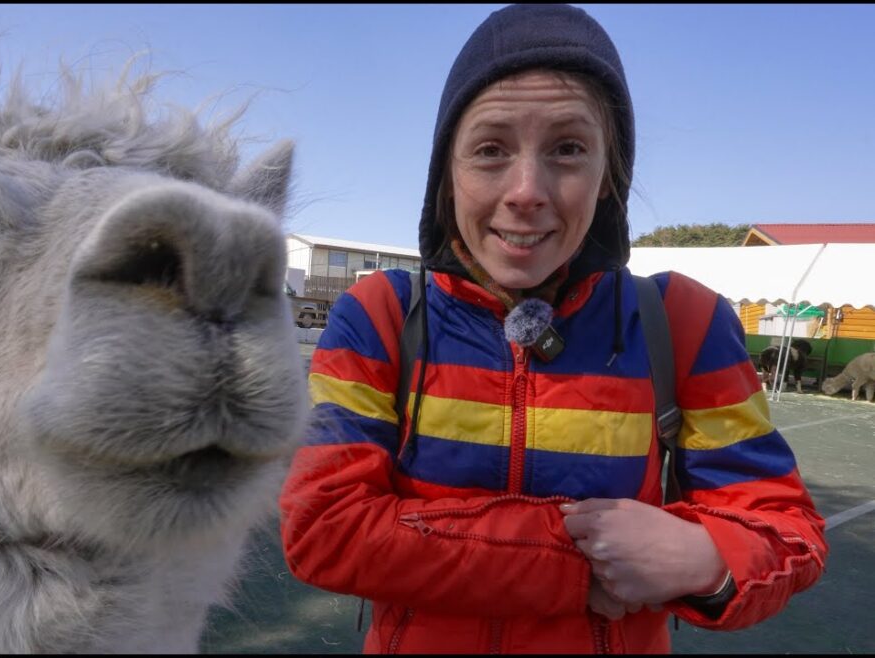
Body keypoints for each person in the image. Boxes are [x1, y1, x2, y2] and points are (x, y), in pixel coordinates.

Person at [278, 4, 827, 654]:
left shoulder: (686, 322)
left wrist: (707, 559)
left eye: (568, 148)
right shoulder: (380, 316)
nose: (526, 191)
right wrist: (577, 563)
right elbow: (325, 527)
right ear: (446, 173)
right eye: (490, 149)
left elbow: (783, 529)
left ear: (609, 176)